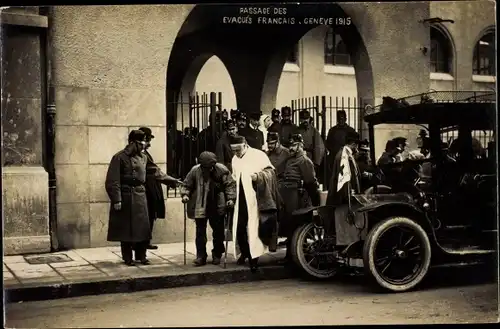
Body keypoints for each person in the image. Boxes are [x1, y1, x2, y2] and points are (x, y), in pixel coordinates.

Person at [229, 135, 277, 272]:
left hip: (256, 199)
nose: (236, 153)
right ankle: (244, 252)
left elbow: (271, 173)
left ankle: (253, 258)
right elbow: (234, 178)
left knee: (254, 229)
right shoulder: (235, 159)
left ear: (245, 145)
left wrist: (258, 177)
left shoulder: (258, 155)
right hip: (241, 200)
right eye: (234, 151)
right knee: (239, 228)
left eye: (238, 150)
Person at [180, 151, 236, 266]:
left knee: (218, 232)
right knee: (200, 232)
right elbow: (187, 184)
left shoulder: (222, 170)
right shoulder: (195, 170)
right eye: (206, 167)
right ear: (201, 165)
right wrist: (185, 194)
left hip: (217, 205)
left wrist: (230, 198)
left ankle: (217, 254)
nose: (209, 170)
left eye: (211, 167)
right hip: (201, 205)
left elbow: (229, 185)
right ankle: (201, 256)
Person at [105, 130, 151, 266]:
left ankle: (141, 256)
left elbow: (155, 172)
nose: (144, 146)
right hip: (125, 196)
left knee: (142, 228)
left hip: (140, 196)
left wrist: (172, 181)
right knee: (126, 229)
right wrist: (117, 199)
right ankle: (127, 257)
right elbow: (113, 180)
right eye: (141, 143)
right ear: (132, 143)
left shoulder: (144, 157)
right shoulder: (119, 157)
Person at [277, 133, 320, 264]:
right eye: (290, 145)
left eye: (294, 145)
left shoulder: (304, 161)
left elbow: (311, 182)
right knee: (290, 225)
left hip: (298, 197)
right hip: (288, 196)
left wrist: (315, 202)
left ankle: (296, 256)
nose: (291, 148)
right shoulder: (290, 160)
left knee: (296, 225)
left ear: (300, 145)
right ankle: (292, 256)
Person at [139, 127, 183, 250]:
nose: (149, 144)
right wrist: (172, 181)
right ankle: (142, 244)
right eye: (147, 140)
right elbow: (156, 172)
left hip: (150, 187)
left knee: (150, 215)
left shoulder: (143, 154)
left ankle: (145, 242)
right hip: (147, 189)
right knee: (147, 216)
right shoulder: (141, 155)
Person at [326, 131, 368, 247]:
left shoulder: (346, 154)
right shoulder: (343, 156)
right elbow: (343, 179)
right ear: (354, 144)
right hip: (343, 197)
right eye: (357, 145)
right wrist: (348, 194)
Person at [325, 110, 357, 189]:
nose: (341, 121)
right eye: (339, 119)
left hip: (347, 158)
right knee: (335, 179)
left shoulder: (351, 130)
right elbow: (328, 143)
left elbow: (355, 145)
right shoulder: (332, 131)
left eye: (342, 119)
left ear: (346, 119)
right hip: (335, 158)